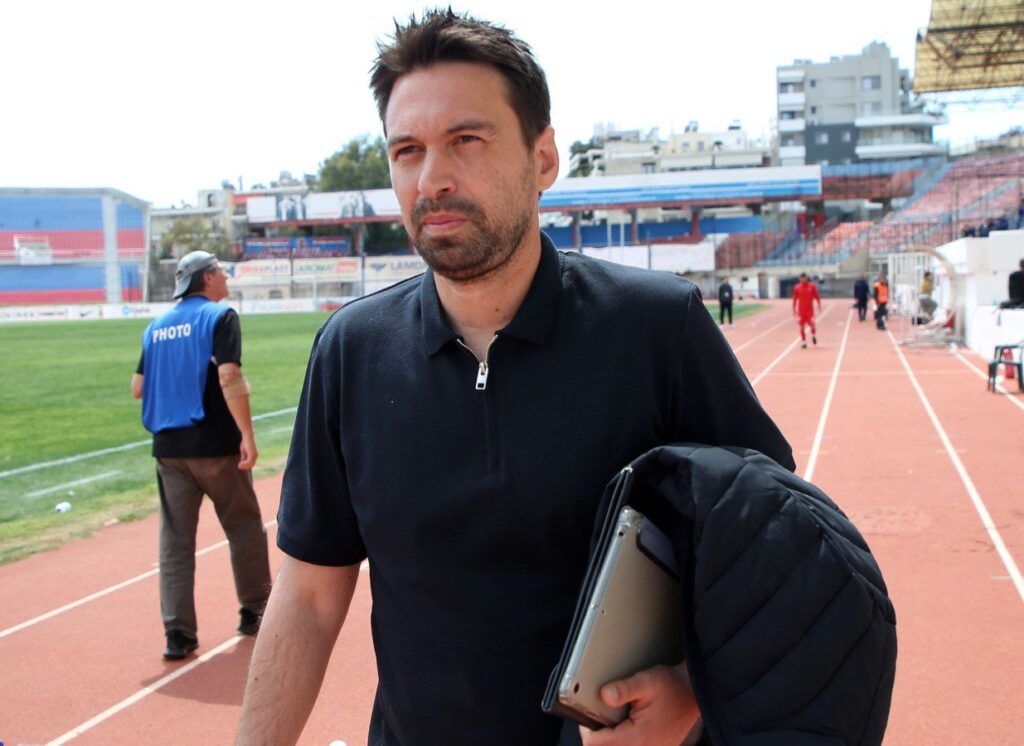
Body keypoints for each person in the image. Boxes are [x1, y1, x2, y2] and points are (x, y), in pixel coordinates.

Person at [236, 10, 793, 746]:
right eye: (407, 150)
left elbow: (772, 544)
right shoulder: (350, 351)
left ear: (544, 158)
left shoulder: (659, 328)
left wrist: (692, 688)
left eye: (466, 139)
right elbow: (309, 594)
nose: (432, 178)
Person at [131, 250, 271, 660]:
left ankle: (178, 633)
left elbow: (138, 388)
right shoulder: (220, 316)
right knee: (244, 528)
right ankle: (254, 612)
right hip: (216, 445)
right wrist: (247, 434)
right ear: (207, 277)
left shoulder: (155, 327)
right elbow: (229, 373)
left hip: (168, 450)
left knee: (175, 542)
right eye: (221, 271)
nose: (225, 278)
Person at [792, 272, 822, 349]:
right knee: (802, 326)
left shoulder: (812, 286)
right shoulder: (797, 287)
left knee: (812, 325)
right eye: (801, 278)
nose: (802, 280)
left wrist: (819, 304)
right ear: (799, 279)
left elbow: (817, 296)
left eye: (804, 278)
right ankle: (803, 342)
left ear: (806, 278)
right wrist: (794, 309)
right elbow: (794, 299)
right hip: (801, 311)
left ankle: (813, 335)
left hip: (810, 311)